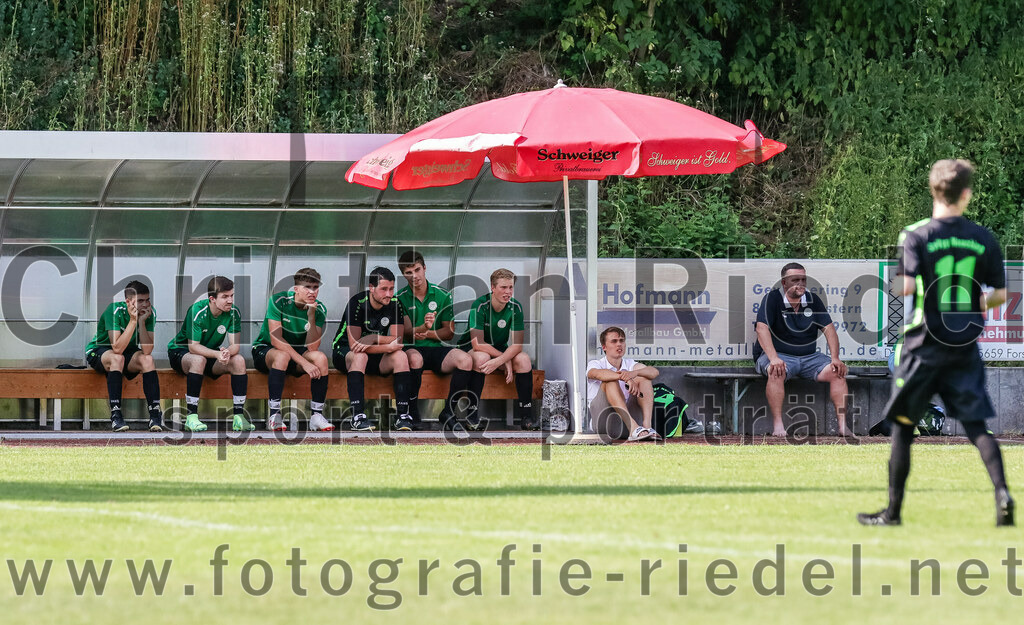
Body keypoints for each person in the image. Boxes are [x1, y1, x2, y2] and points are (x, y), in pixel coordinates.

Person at [859, 159, 1014, 527]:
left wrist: (900, 282)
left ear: (933, 190)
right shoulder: (983, 237)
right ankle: (1002, 494)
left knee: (902, 425)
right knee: (976, 426)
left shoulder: (916, 234)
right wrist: (976, 302)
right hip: (964, 342)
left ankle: (893, 512)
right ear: (966, 194)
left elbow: (906, 287)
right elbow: (1001, 294)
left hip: (924, 341)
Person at [753, 262, 849, 437]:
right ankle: (778, 426)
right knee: (776, 371)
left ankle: (843, 427)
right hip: (779, 356)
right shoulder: (772, 299)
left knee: (837, 372)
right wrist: (773, 358)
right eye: (795, 280)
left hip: (809, 357)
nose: (801, 283)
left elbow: (829, 329)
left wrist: (835, 357)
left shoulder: (813, 300)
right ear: (784, 283)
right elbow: (761, 329)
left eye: (803, 279)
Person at [396, 250, 474, 430]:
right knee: (415, 358)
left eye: (417, 270)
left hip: (435, 349)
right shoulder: (399, 298)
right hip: (411, 348)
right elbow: (406, 332)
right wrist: (421, 329)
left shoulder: (442, 295)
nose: (414, 276)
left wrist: (428, 333)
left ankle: (448, 412)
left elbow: (449, 333)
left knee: (465, 360)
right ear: (403, 274)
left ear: (424, 268)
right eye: (409, 272)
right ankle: (413, 413)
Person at [332, 266, 414, 432]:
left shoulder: (395, 303)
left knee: (400, 356)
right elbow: (355, 345)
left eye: (391, 289)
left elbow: (397, 341)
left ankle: (403, 416)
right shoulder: (357, 303)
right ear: (371, 288)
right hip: (345, 351)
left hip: (377, 353)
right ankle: (358, 416)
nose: (389, 294)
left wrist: (373, 338)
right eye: (384, 289)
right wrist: (385, 345)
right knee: (360, 356)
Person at [167, 276, 253, 432]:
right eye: (225, 297)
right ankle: (191, 417)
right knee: (199, 360)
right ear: (212, 299)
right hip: (181, 352)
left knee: (238, 360)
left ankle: (239, 417)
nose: (230, 300)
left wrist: (226, 352)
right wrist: (216, 354)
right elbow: (193, 347)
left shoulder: (234, 313)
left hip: (209, 355)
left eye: (232, 295)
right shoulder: (197, 310)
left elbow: (235, 346)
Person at [251, 268, 332, 432]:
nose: (312, 292)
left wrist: (311, 315)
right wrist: (304, 363)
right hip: (267, 350)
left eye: (315, 287)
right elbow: (276, 340)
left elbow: (312, 347)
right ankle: (274, 414)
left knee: (321, 358)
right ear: (296, 289)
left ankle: (316, 415)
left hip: (296, 354)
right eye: (307, 287)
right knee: (281, 356)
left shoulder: (319, 309)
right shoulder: (278, 301)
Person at [461, 268, 535, 430]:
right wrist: (503, 359)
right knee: (482, 358)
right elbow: (477, 343)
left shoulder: (516, 307)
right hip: (472, 350)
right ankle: (472, 415)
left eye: (510, 287)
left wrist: (502, 359)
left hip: (499, 352)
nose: (508, 292)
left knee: (523, 360)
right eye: (503, 287)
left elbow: (517, 345)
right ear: (493, 288)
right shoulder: (479, 305)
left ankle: (526, 416)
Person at [85, 280, 163, 432]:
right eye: (140, 301)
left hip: (127, 353)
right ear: (128, 301)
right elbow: (117, 348)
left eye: (147, 300)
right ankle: (116, 415)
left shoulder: (150, 313)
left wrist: (141, 322)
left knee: (147, 360)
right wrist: (133, 321)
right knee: (117, 358)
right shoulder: (114, 310)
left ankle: (155, 415)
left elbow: (147, 350)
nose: (145, 304)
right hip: (99, 350)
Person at [586, 326, 660, 441]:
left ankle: (647, 427)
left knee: (644, 378)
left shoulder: (630, 364)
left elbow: (654, 372)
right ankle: (633, 427)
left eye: (621, 341)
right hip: (604, 423)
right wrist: (626, 378)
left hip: (626, 426)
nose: (619, 344)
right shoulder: (596, 363)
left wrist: (634, 373)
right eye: (614, 341)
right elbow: (596, 374)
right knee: (609, 381)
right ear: (604, 347)